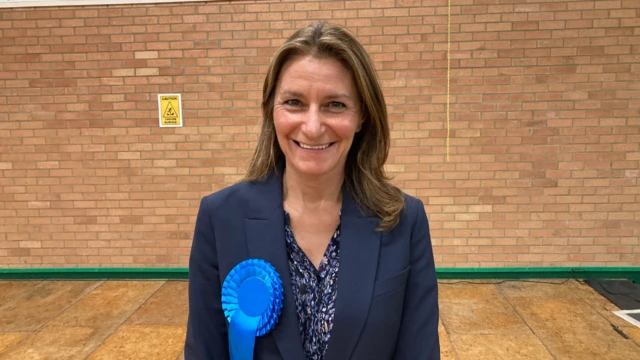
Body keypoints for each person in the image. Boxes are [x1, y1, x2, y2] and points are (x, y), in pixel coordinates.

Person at [184, 22, 440, 360]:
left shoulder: (405, 221)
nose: (313, 126)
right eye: (294, 102)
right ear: (271, 111)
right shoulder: (220, 217)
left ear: (362, 115)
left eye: (335, 104)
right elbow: (205, 351)